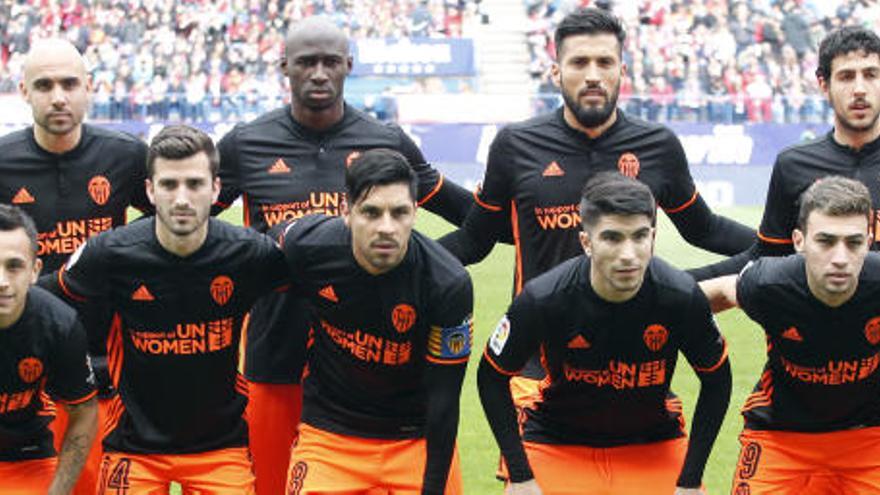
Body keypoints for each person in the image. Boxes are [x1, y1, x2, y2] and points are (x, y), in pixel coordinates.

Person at [438, 7, 749, 474]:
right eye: (580, 63)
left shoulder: (658, 145)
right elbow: (476, 240)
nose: (593, 75)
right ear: (555, 70)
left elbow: (704, 229)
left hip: (635, 361)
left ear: (623, 70)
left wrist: (779, 248)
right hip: (536, 366)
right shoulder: (515, 146)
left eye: (605, 63)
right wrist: (409, 259)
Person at [213, 16, 474, 494]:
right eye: (306, 62)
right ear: (284, 67)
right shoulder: (245, 143)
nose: (318, 72)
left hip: (366, 358)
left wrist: (418, 265)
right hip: (276, 352)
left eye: (330, 61)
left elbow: (475, 220)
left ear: (348, 66)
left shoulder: (387, 141)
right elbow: (196, 227)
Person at [47, 125, 287, 494]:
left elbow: (314, 287)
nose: (182, 198)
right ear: (149, 191)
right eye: (169, 185)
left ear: (217, 189)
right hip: (134, 447)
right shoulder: (110, 253)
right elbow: (47, 300)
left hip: (221, 448)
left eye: (194, 184)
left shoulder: (251, 254)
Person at [478, 172, 731, 495]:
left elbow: (717, 379)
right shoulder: (544, 298)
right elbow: (491, 376)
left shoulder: (681, 296)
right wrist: (521, 475)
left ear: (653, 236)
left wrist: (690, 480)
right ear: (586, 242)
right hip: (558, 439)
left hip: (652, 441)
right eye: (612, 238)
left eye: (640, 236)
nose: (629, 254)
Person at [0, 38, 153, 495]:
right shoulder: (3, 161)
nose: (58, 96)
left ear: (90, 87)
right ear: (24, 91)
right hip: (24, 361)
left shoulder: (125, 156)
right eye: (44, 85)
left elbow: (168, 228)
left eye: (69, 83)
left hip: (107, 361)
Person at [277, 149, 472, 494]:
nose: (386, 227)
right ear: (346, 212)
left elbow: (444, 401)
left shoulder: (447, 283)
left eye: (399, 213)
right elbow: (246, 263)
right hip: (330, 438)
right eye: (371, 212)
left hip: (415, 441)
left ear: (415, 212)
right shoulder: (307, 245)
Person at [700, 176, 880, 494]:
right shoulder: (768, 284)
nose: (840, 258)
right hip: (780, 434)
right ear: (799, 241)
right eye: (825, 241)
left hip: (869, 437)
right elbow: (719, 292)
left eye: (853, 242)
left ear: (868, 240)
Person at [691, 26, 880, 280]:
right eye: (846, 76)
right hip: (816, 319)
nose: (860, 88)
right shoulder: (793, 165)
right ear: (824, 84)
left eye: (870, 75)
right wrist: (675, 285)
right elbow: (766, 256)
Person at [0, 205, 97, 495]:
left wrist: (57, 492)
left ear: (35, 271)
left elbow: (83, 412)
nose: (2, 282)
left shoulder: (60, 325)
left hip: (26, 454)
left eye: (14, 266)